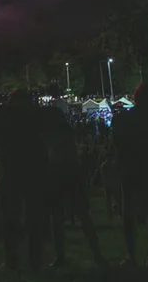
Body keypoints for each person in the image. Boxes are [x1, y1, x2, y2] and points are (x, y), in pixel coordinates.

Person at [0, 89, 49, 271]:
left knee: (11, 216)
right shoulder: (35, 116)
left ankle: (12, 260)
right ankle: (34, 260)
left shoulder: (7, 116)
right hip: (34, 169)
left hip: (12, 169)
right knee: (33, 216)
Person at [112, 82, 148, 268]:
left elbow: (118, 143)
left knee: (129, 214)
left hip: (132, 168)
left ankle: (131, 255)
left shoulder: (127, 118)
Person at [43, 107, 107, 268]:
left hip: (59, 172)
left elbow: (52, 154)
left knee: (58, 217)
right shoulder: (67, 131)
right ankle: (96, 254)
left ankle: (61, 256)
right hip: (71, 171)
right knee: (82, 216)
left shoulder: (53, 134)